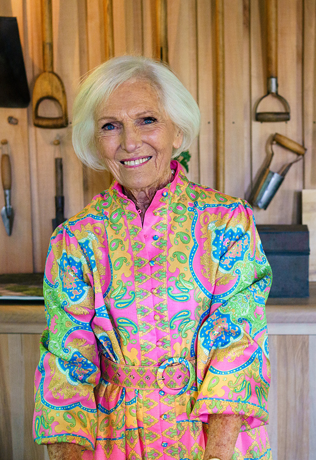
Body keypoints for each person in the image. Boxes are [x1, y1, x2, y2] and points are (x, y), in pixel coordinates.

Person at [33, 55, 272, 460]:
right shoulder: (75, 239)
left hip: (211, 434)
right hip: (112, 437)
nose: (129, 142)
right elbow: (66, 363)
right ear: (95, 141)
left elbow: (239, 344)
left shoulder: (227, 222)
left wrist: (216, 455)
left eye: (147, 120)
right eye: (111, 126)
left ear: (177, 132)